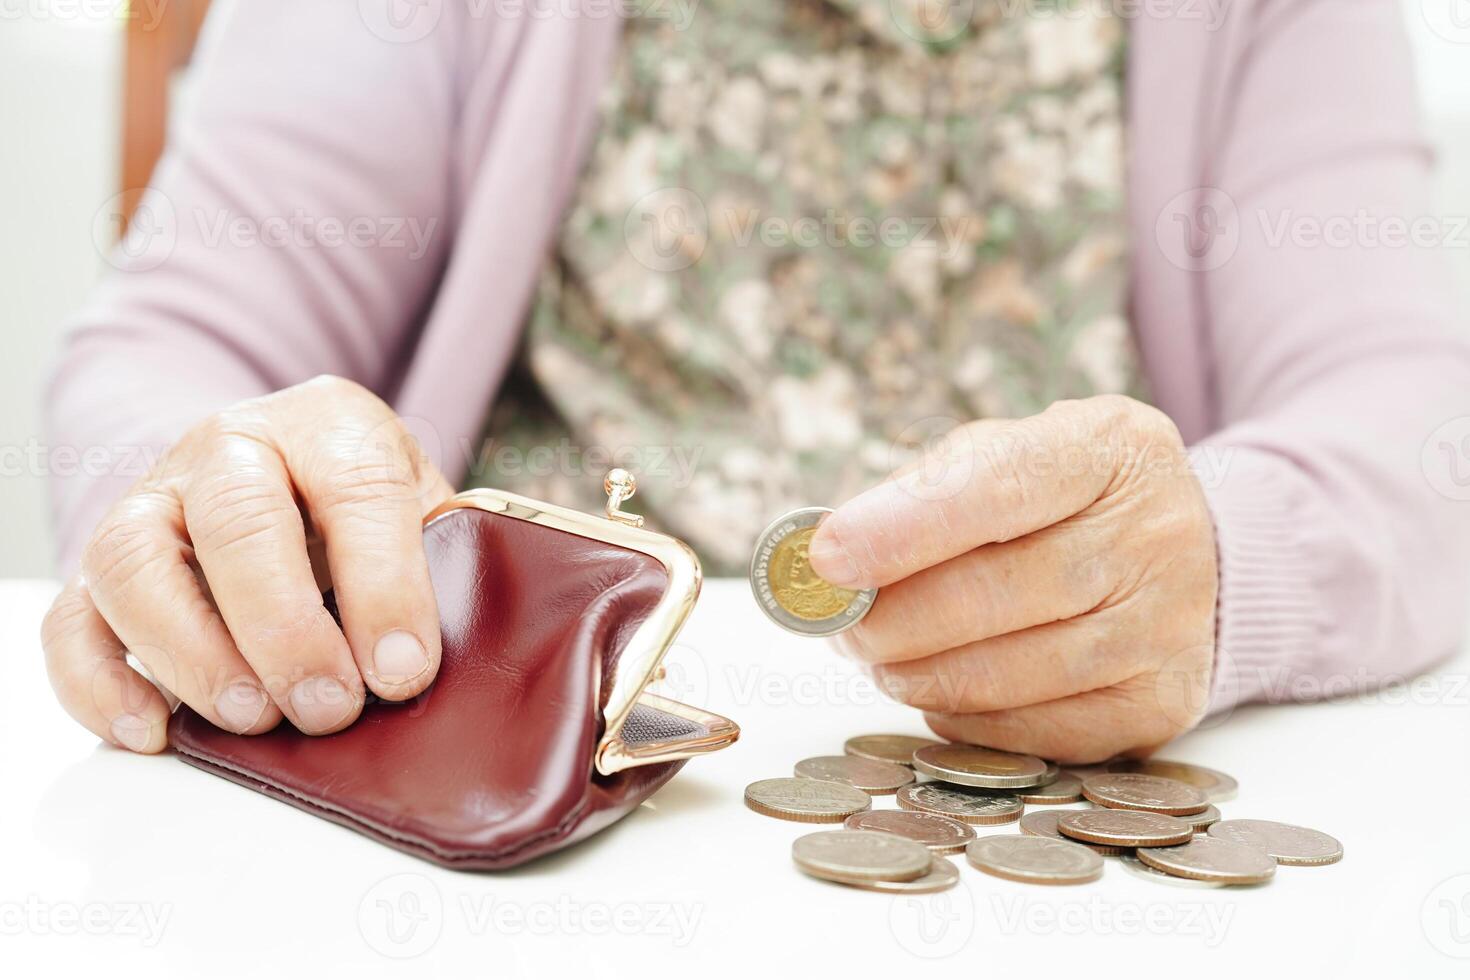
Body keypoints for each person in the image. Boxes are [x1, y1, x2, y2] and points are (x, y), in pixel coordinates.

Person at [40, 0, 1470, 762]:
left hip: (1056, 800)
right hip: (520, 772)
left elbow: (1410, 416)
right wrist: (208, 501)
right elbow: (176, 340)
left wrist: (1214, 565)